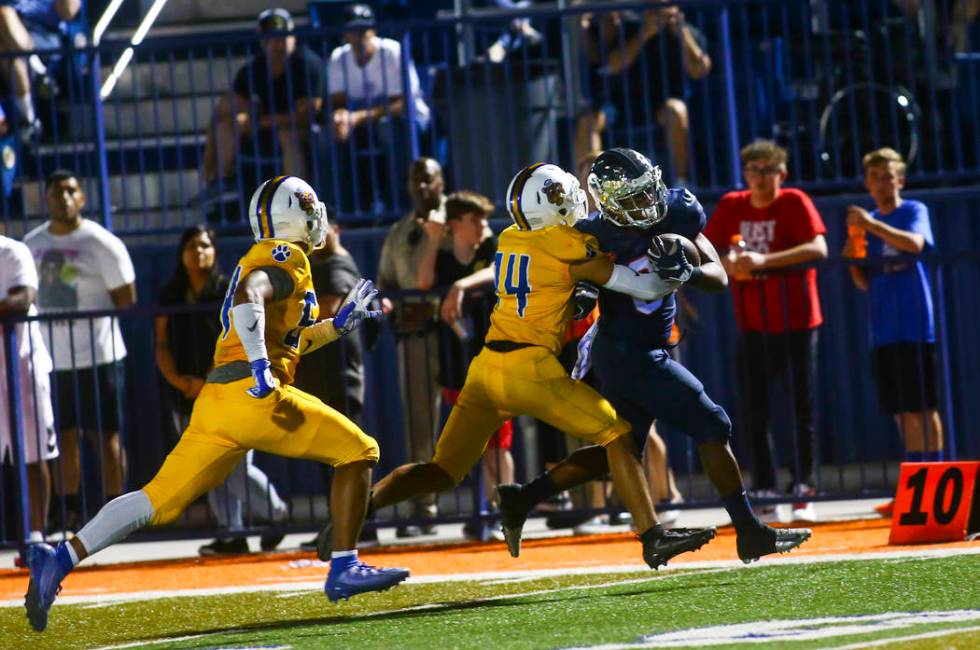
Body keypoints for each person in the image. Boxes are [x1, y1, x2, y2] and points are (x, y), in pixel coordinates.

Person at [23, 176, 409, 632]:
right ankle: (344, 565)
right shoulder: (285, 258)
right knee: (361, 451)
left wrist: (336, 325)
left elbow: (290, 339)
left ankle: (60, 558)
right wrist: (262, 367)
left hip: (218, 401)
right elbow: (251, 296)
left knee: (155, 500)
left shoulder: (273, 258)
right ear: (297, 215)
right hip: (255, 395)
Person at [341, 162, 719, 569]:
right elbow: (641, 285)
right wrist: (678, 274)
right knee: (619, 434)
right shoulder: (571, 244)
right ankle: (652, 535)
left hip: (486, 369)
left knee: (442, 469)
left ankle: (353, 513)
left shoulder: (509, 236)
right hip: (531, 368)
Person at [494, 148, 811, 563]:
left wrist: (690, 272)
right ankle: (749, 530)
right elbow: (574, 285)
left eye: (648, 192)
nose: (646, 204)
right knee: (712, 423)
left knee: (621, 450)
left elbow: (718, 276)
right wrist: (582, 294)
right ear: (608, 204)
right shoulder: (594, 234)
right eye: (633, 199)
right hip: (629, 353)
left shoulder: (677, 210)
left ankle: (522, 497)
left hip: (643, 349)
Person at [703, 140, 827, 523]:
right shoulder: (731, 205)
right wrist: (728, 262)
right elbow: (704, 248)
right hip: (753, 323)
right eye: (753, 170)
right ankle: (766, 488)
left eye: (767, 170)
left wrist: (763, 261)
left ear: (781, 173)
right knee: (755, 411)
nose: (759, 177)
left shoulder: (794, 201)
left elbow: (818, 248)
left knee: (801, 407)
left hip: (797, 320)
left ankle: (804, 485)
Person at [155, 225, 288, 555]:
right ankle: (232, 532)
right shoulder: (170, 294)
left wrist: (208, 380)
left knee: (235, 464)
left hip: (228, 384)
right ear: (181, 253)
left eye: (204, 245)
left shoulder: (226, 289)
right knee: (207, 463)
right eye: (191, 246)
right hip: (186, 393)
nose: (198, 252)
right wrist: (178, 381)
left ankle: (278, 514)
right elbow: (161, 343)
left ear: (214, 250)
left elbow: (241, 339)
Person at [24, 169, 136, 533]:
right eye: (57, 192)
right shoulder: (32, 244)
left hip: (99, 357)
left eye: (72, 191)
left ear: (83, 197)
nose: (65, 198)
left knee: (107, 437)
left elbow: (126, 299)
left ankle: (116, 518)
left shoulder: (101, 242)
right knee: (63, 438)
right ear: (47, 198)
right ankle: (68, 514)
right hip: (52, 360)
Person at [842, 147, 943, 517]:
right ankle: (914, 489)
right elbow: (862, 279)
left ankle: (933, 481)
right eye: (875, 178)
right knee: (903, 412)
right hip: (883, 329)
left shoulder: (913, 211)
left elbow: (915, 245)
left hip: (916, 324)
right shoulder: (867, 220)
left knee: (924, 406)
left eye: (888, 176)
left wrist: (869, 226)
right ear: (867, 184)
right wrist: (854, 241)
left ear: (900, 179)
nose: (882, 184)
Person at [415, 190, 510, 541]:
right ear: (455, 225)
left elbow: (500, 272)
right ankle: (483, 513)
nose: (483, 225)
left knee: (499, 443)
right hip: (456, 364)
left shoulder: (491, 248)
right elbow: (423, 282)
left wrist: (460, 286)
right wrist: (433, 239)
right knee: (472, 444)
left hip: (492, 359)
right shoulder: (441, 254)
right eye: (475, 220)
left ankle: (503, 512)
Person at [292, 214, 376, 552]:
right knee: (336, 457)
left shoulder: (335, 264)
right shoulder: (330, 263)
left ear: (336, 229)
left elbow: (330, 309)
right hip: (332, 374)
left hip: (338, 374)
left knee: (346, 455)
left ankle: (356, 526)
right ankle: (340, 525)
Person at [376, 157, 447, 538]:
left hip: (454, 334)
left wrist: (431, 308)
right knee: (419, 423)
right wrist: (390, 306)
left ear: (442, 182)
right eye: (415, 180)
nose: (422, 187)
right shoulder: (399, 230)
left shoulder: (456, 220)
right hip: (414, 339)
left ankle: (494, 503)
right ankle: (425, 506)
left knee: (482, 417)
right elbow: (385, 282)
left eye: (429, 180)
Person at [574, 3, 712, 183]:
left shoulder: (687, 33)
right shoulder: (628, 28)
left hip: (661, 103)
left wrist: (682, 31)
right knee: (588, 124)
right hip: (619, 105)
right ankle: (589, 189)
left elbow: (700, 69)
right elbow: (612, 64)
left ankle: (681, 181)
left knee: (676, 112)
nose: (657, 13)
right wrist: (645, 33)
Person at [201, 8, 324, 190]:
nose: (279, 43)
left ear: (293, 38)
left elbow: (307, 114)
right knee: (225, 118)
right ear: (263, 41)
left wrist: (258, 122)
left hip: (307, 131)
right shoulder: (254, 68)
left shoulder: (307, 63)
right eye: (272, 37)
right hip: (265, 131)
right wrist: (244, 118)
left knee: (287, 136)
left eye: (284, 36)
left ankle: (297, 197)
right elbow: (230, 102)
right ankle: (216, 181)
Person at [327, 3, 430, 213]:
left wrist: (355, 118)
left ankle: (401, 207)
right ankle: (344, 210)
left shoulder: (391, 51)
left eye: (365, 29)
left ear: (373, 30)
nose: (361, 35)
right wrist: (340, 119)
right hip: (365, 124)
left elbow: (401, 104)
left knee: (388, 128)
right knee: (327, 136)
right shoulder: (338, 57)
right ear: (346, 34)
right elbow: (337, 103)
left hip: (410, 119)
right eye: (354, 31)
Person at [0, 233, 58, 550]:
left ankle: (37, 535)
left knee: (35, 453)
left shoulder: (13, 252)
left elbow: (23, 299)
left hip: (23, 365)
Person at [0, 0, 80, 142]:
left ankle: (36, 70)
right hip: (10, 35)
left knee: (4, 14)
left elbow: (69, 11)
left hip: (47, 36)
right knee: (5, 51)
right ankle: (29, 119)